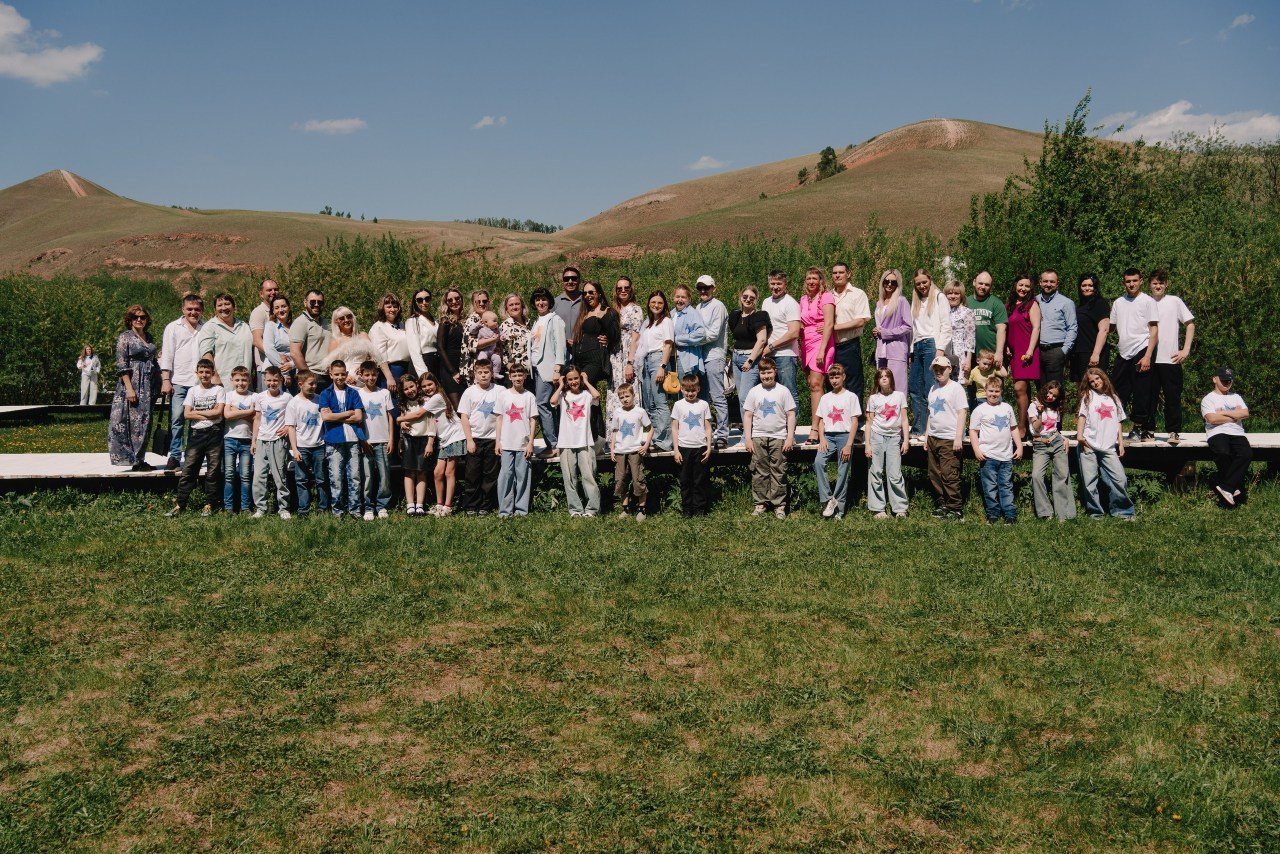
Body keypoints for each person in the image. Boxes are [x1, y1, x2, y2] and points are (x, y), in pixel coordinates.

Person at [165, 357, 224, 516]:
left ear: (212, 373)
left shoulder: (218, 390)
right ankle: (180, 504)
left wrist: (198, 413)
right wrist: (208, 414)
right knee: (189, 470)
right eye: (201, 372)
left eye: (207, 372)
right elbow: (186, 414)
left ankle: (210, 504)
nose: (204, 375)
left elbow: (218, 412)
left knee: (213, 471)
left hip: (214, 434)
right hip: (196, 435)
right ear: (197, 373)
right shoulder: (192, 391)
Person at [742, 356, 796, 519]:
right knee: (759, 471)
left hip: (779, 437)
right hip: (758, 437)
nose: (766, 376)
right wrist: (748, 438)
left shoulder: (783, 391)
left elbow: (791, 414)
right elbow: (748, 416)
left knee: (779, 471)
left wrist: (789, 437)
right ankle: (760, 503)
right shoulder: (754, 391)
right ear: (759, 374)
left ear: (775, 371)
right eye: (763, 373)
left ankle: (779, 505)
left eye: (769, 372)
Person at [1077, 367, 1134, 519]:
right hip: (1088, 443)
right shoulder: (1088, 396)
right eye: (1091, 381)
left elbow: (1119, 423)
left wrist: (1120, 443)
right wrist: (1080, 437)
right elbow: (1082, 417)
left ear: (1103, 378)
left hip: (1108, 446)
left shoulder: (1114, 398)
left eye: (1097, 379)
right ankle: (1095, 513)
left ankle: (1122, 511)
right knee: (1090, 481)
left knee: (1119, 479)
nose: (1095, 383)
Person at [1109, 268, 1159, 442]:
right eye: (1128, 281)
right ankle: (1112, 427)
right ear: (1124, 282)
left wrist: (1147, 356)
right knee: (1115, 391)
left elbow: (1154, 330)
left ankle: (1138, 428)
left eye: (1134, 280)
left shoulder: (1148, 301)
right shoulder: (1118, 303)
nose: (1131, 284)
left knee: (1141, 392)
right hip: (1123, 351)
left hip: (1142, 349)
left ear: (1141, 281)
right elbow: (1110, 328)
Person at [109, 305, 160, 471]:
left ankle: (140, 458)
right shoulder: (125, 337)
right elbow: (122, 364)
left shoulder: (149, 336)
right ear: (130, 320)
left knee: (145, 421)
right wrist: (129, 388)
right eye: (136, 317)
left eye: (143, 317)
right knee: (130, 421)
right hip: (132, 383)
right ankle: (131, 458)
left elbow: (153, 360)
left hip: (149, 384)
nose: (140, 320)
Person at [159, 293, 205, 469]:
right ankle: (175, 455)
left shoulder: (206, 327)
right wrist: (166, 379)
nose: (193, 312)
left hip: (199, 382)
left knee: (197, 420)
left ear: (201, 310)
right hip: (179, 380)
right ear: (183, 310)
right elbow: (167, 355)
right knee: (177, 418)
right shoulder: (173, 327)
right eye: (189, 309)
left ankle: (192, 454)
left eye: (196, 309)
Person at [1149, 269, 1195, 444]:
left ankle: (1173, 431)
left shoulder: (1174, 301)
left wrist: (1186, 349)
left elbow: (1190, 324)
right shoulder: (1145, 302)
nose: (1158, 286)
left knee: (1173, 397)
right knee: (1148, 397)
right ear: (1149, 285)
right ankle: (1147, 430)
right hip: (1149, 358)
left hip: (1171, 359)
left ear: (1166, 284)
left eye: (1161, 283)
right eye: (1155, 283)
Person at [317, 360, 366, 519]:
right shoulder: (326, 393)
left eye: (342, 374)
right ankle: (338, 511)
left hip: (352, 438)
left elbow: (358, 416)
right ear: (330, 375)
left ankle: (355, 510)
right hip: (334, 439)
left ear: (346, 374)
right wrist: (347, 413)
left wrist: (335, 416)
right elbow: (325, 417)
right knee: (336, 477)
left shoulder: (353, 393)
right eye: (336, 374)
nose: (339, 377)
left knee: (355, 477)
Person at [572, 281, 620, 444]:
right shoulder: (584, 313)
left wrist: (602, 319)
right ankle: (592, 432)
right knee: (585, 393)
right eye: (585, 293)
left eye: (591, 292)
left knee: (585, 383)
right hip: (580, 360)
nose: (588, 296)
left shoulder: (608, 312)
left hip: (595, 360)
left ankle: (598, 434)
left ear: (599, 293)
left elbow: (615, 335)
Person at [969, 377, 1022, 524]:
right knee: (990, 486)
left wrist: (1019, 446)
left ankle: (1010, 515)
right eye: (991, 391)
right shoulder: (980, 410)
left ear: (1001, 391)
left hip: (1006, 456)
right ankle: (993, 513)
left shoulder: (1007, 408)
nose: (993, 394)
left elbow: (1013, 428)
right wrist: (976, 450)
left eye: (997, 391)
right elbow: (973, 431)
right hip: (988, 456)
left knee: (1006, 486)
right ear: (985, 391)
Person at [552, 365, 601, 517]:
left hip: (585, 442)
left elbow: (597, 395)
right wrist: (560, 385)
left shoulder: (586, 395)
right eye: (570, 379)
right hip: (566, 442)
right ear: (566, 381)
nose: (573, 382)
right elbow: (552, 401)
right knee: (570, 478)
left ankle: (592, 509)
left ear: (580, 378)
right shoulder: (563, 396)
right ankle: (575, 509)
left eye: (576, 378)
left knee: (589, 476)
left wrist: (586, 381)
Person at [813, 362, 861, 519]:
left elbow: (854, 421)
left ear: (843, 377)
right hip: (828, 436)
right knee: (819, 462)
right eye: (831, 377)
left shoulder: (851, 397)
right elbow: (820, 420)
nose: (834, 380)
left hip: (844, 436)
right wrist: (822, 439)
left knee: (843, 471)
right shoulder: (826, 398)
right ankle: (828, 499)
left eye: (837, 376)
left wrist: (848, 444)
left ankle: (839, 510)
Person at [908, 269, 952, 438]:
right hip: (918, 345)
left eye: (924, 282)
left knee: (930, 387)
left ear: (930, 280)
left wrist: (939, 351)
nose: (922, 286)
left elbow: (946, 326)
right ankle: (920, 427)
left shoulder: (939, 297)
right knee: (915, 388)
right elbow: (914, 328)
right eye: (918, 283)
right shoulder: (916, 300)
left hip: (932, 345)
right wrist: (911, 351)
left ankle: (934, 427)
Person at [830, 262, 872, 434]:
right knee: (832, 383)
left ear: (848, 274)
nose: (837, 275)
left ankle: (857, 424)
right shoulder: (827, 295)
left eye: (841, 272)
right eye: (834, 273)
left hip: (849, 344)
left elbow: (861, 320)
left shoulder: (857, 294)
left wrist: (833, 328)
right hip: (831, 347)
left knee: (853, 384)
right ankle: (836, 422)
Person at [925, 353, 968, 520]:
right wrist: (927, 435)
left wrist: (958, 437)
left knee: (950, 473)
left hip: (949, 438)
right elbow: (931, 414)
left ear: (950, 369)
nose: (938, 372)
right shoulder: (933, 388)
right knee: (934, 473)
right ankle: (943, 504)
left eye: (941, 368)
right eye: (936, 369)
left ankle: (955, 507)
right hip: (934, 437)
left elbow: (962, 412)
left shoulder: (956, 388)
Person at [1201, 366, 1251, 507]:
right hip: (1216, 432)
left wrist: (1222, 413)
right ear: (1215, 379)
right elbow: (1211, 419)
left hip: (1236, 432)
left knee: (1246, 454)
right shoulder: (1208, 399)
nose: (1227, 383)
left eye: (1229, 380)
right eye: (1223, 380)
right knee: (1223, 452)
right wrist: (1234, 415)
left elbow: (1245, 413)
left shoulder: (1236, 397)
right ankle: (1235, 487)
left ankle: (1227, 487)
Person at [458, 357, 503, 515]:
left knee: (490, 475)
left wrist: (499, 441)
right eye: (480, 372)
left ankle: (485, 505)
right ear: (474, 374)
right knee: (472, 474)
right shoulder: (469, 392)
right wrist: (469, 439)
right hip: (475, 438)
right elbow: (464, 417)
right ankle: (471, 506)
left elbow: (501, 417)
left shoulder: (499, 391)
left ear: (492, 373)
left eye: (486, 372)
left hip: (492, 439)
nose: (483, 375)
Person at [864, 367, 909, 519]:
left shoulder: (899, 396)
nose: (884, 378)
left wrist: (906, 441)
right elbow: (869, 423)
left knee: (895, 473)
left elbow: (904, 419)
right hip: (876, 436)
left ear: (891, 379)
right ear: (877, 380)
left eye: (887, 376)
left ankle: (900, 508)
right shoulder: (873, 399)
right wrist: (868, 444)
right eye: (881, 376)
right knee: (875, 472)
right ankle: (878, 508)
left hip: (894, 438)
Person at [1027, 379, 1074, 521]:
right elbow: (1036, 428)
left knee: (1062, 474)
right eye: (1048, 392)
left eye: (1054, 395)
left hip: (1056, 441)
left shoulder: (1055, 408)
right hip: (1040, 444)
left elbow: (1054, 428)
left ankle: (1063, 514)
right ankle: (1046, 512)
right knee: (1036, 476)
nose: (1049, 397)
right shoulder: (1033, 406)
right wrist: (1041, 413)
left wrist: (1063, 438)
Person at [250, 365, 293, 519]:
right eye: (269, 380)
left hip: (278, 441)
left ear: (281, 380)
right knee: (259, 476)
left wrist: (288, 428)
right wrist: (253, 441)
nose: (272, 383)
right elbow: (257, 419)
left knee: (279, 476)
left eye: (275, 380)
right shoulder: (259, 397)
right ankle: (261, 508)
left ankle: (283, 508)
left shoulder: (287, 398)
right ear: (264, 380)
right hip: (262, 440)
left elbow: (293, 417)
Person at [528, 287, 566, 458]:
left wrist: (557, 368)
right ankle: (555, 441)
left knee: (543, 404)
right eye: (537, 300)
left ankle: (553, 444)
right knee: (549, 406)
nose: (540, 303)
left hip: (549, 369)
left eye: (543, 299)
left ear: (549, 301)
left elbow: (560, 345)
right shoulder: (537, 321)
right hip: (536, 369)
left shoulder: (554, 319)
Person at [693, 275, 730, 449]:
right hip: (700, 357)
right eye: (700, 288)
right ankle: (704, 431)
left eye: (706, 288)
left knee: (717, 396)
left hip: (714, 356)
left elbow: (713, 334)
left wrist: (690, 340)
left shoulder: (718, 306)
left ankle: (722, 433)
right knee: (701, 397)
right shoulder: (698, 307)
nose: (703, 291)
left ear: (713, 288)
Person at [799, 266, 835, 443]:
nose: (811, 281)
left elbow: (829, 324)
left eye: (814, 278)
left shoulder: (826, 297)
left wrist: (822, 350)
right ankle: (822, 423)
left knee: (816, 384)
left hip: (822, 343)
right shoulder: (804, 299)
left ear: (821, 280)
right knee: (812, 385)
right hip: (806, 343)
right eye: (808, 278)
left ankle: (815, 428)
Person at [634, 290, 674, 451]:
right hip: (646, 361)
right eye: (653, 302)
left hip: (658, 360)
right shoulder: (647, 323)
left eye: (660, 302)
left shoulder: (666, 322)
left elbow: (668, 345)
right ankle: (654, 437)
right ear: (649, 304)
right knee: (649, 403)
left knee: (660, 402)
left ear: (664, 305)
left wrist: (662, 367)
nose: (656, 305)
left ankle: (664, 441)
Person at [494, 365, 536, 517]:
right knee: (505, 476)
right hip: (506, 443)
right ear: (510, 377)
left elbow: (532, 421)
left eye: (520, 375)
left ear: (525, 376)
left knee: (522, 476)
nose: (518, 378)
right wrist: (497, 441)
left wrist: (530, 442)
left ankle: (521, 510)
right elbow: (499, 419)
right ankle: (505, 510)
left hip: (523, 444)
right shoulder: (503, 395)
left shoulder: (529, 396)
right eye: (515, 375)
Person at [356, 360, 394, 520]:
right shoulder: (358, 393)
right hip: (367, 442)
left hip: (383, 440)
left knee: (384, 475)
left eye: (373, 375)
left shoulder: (384, 393)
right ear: (361, 375)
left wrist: (391, 438)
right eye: (367, 375)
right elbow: (357, 420)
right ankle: (368, 506)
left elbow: (390, 417)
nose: (371, 378)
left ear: (378, 375)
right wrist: (361, 441)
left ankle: (382, 505)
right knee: (367, 476)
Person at [285, 370, 327, 517]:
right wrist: (294, 449)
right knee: (301, 480)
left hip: (319, 446)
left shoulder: (320, 399)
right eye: (311, 384)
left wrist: (326, 445)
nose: (314, 386)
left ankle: (323, 509)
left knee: (321, 479)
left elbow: (326, 424)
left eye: (315, 383)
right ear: (300, 384)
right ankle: (304, 510)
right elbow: (291, 427)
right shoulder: (293, 403)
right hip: (302, 447)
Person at [671, 373, 713, 517]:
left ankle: (700, 509)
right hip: (684, 448)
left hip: (700, 447)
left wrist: (708, 447)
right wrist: (676, 450)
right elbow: (675, 428)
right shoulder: (678, 405)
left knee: (699, 480)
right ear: (682, 389)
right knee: (685, 480)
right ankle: (687, 509)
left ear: (699, 389)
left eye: (693, 390)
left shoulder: (703, 405)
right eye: (687, 390)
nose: (690, 393)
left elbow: (708, 427)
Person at [1005, 274, 1041, 437]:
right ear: (1015, 286)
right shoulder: (1009, 306)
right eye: (1021, 285)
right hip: (1014, 352)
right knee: (1022, 389)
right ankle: (1025, 423)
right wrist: (1005, 346)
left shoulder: (1032, 304)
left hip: (1027, 351)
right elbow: (1005, 328)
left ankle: (1022, 427)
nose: (1023, 289)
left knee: (1020, 387)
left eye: (1027, 286)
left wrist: (1030, 350)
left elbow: (1036, 328)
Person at [609, 383, 652, 520]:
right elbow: (615, 431)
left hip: (635, 451)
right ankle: (625, 509)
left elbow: (650, 428)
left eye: (627, 396)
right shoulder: (617, 413)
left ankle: (641, 509)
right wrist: (612, 449)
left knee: (638, 479)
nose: (625, 399)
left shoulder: (640, 412)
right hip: (620, 451)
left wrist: (645, 445)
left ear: (634, 396)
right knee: (620, 479)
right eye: (621, 397)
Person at [425, 373, 464, 516]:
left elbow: (418, 414)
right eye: (424, 386)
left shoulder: (437, 398)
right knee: (437, 472)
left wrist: (400, 419)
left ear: (436, 384)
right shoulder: (429, 399)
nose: (427, 388)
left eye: (430, 384)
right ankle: (439, 504)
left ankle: (448, 506)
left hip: (455, 436)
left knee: (449, 472)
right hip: (444, 440)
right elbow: (432, 423)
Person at [395, 373, 435, 517]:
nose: (410, 390)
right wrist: (401, 425)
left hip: (424, 439)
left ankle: (420, 504)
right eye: (406, 389)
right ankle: (410, 504)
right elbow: (402, 422)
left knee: (422, 472)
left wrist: (430, 443)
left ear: (416, 385)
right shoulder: (403, 403)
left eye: (411, 386)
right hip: (408, 439)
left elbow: (432, 423)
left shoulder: (426, 401)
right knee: (409, 472)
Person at [609, 278, 645, 434]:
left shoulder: (635, 309)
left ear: (631, 289)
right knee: (615, 394)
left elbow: (636, 338)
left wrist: (630, 363)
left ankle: (632, 434)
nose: (623, 291)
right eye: (619, 288)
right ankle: (614, 437)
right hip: (615, 357)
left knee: (629, 392)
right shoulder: (613, 310)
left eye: (626, 288)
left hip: (628, 355)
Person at [727, 286, 772, 407]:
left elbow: (761, 340)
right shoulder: (735, 316)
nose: (748, 300)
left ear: (756, 300)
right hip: (736, 357)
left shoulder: (759, 316)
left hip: (750, 358)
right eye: (745, 296)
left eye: (752, 298)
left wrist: (750, 360)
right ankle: (747, 425)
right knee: (741, 397)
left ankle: (752, 425)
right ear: (741, 297)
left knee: (744, 397)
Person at [761, 270, 802, 402]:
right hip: (769, 355)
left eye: (779, 283)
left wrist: (771, 346)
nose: (775, 287)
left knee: (789, 393)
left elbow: (794, 332)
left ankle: (790, 423)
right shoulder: (766, 302)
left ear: (785, 284)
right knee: (771, 394)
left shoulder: (790, 303)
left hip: (785, 355)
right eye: (772, 283)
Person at [197, 293, 254, 388]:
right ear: (215, 309)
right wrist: (215, 377)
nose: (224, 308)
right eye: (219, 305)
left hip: (245, 383)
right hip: (223, 383)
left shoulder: (244, 326)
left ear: (234, 306)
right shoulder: (209, 327)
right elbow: (206, 354)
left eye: (227, 304)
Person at [872, 269, 912, 401]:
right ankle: (885, 417)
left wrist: (885, 333)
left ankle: (900, 419)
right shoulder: (879, 303)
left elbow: (908, 326)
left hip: (897, 349)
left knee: (898, 387)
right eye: (886, 281)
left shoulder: (901, 301)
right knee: (882, 386)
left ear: (897, 284)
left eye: (893, 282)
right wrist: (877, 333)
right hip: (881, 349)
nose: (889, 284)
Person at [220, 366, 256, 514]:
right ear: (231, 380)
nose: (240, 383)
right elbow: (227, 415)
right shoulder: (229, 395)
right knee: (229, 474)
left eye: (243, 380)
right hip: (229, 439)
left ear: (249, 380)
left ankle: (245, 506)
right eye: (237, 380)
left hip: (247, 440)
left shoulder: (254, 396)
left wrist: (237, 412)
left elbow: (255, 419)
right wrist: (248, 411)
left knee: (245, 475)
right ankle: (228, 507)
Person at [1035, 270, 1077, 386]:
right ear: (1040, 282)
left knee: (1054, 388)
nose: (1048, 284)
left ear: (1057, 283)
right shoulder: (1034, 301)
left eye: (1052, 282)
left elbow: (1072, 328)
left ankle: (1056, 405)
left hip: (1056, 350)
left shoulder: (1066, 303)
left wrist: (1064, 351)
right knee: (1040, 387)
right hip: (1037, 351)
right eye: (1045, 281)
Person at [316, 307, 378, 383]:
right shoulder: (335, 342)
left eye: (349, 316)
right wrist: (344, 377)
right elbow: (330, 367)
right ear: (336, 322)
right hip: (345, 382)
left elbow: (374, 358)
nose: (346, 320)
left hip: (366, 380)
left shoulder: (363, 335)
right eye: (342, 318)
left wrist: (365, 366)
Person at [289, 290, 332, 393]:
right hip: (312, 374)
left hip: (327, 376)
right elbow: (295, 352)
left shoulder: (325, 322)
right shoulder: (301, 322)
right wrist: (308, 376)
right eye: (313, 302)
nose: (316, 305)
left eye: (320, 302)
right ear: (305, 302)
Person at [967, 270, 1007, 376]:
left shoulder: (996, 303)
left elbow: (1001, 329)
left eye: (987, 284)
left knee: (994, 390)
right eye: (980, 283)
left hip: (991, 357)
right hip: (971, 356)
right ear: (974, 282)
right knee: (972, 389)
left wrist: (999, 352)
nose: (983, 287)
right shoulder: (965, 302)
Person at [369, 293, 411, 393]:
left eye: (395, 306)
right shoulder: (379, 327)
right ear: (382, 308)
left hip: (406, 368)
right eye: (388, 307)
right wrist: (389, 377)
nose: (392, 309)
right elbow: (379, 355)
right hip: (391, 371)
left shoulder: (401, 325)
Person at [1072, 273, 1111, 382]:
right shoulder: (1080, 306)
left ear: (1095, 287)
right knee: (1082, 389)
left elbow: (1104, 330)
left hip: (1092, 354)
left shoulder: (1099, 304)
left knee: (1095, 388)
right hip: (1079, 353)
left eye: (1090, 285)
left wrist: (1096, 354)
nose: (1087, 288)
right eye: (1084, 285)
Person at [436, 288, 467, 406]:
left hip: (464, 367)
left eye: (457, 298)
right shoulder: (445, 321)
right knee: (457, 406)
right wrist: (453, 372)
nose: (454, 301)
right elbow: (440, 346)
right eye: (450, 300)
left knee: (466, 405)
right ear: (446, 303)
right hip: (450, 368)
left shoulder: (466, 320)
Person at [248, 279, 279, 390]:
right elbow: (257, 340)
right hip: (266, 368)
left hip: (282, 367)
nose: (273, 292)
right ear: (261, 294)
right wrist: (277, 357)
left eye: (275, 289)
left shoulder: (280, 311)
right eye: (269, 290)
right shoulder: (259, 312)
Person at [943, 281, 976, 381]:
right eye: (950, 293)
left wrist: (968, 360)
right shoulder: (942, 311)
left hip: (960, 353)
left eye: (956, 293)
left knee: (958, 385)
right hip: (944, 352)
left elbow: (970, 338)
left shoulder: (967, 312)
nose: (953, 296)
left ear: (961, 295)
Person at [260, 295, 294, 390]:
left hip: (292, 369)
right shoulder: (271, 326)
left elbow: (301, 350)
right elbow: (269, 349)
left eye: (284, 306)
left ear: (289, 307)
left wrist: (292, 365)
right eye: (277, 308)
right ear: (273, 311)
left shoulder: (295, 326)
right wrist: (284, 372)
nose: (281, 310)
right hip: (273, 373)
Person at [406, 288, 439, 381]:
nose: (424, 302)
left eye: (427, 299)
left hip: (436, 362)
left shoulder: (436, 320)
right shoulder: (412, 321)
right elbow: (414, 351)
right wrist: (423, 374)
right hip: (423, 362)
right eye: (420, 300)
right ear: (415, 302)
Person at [459, 290, 492, 382]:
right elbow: (472, 345)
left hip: (487, 367)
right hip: (475, 368)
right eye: (478, 301)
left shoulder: (489, 319)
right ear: (473, 304)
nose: (481, 304)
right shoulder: (472, 321)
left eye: (484, 301)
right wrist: (494, 340)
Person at [499, 293, 532, 381]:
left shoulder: (528, 323)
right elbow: (503, 351)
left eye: (517, 304)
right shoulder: (506, 325)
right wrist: (513, 371)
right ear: (506, 308)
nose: (514, 307)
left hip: (530, 373)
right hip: (517, 375)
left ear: (522, 306)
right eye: (511, 305)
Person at [554, 267, 583, 356]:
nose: (570, 281)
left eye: (574, 278)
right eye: (566, 279)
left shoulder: (587, 301)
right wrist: (563, 340)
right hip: (562, 353)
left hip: (584, 351)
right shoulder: (555, 303)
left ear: (579, 280)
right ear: (563, 282)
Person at [473, 310, 506, 382]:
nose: (496, 322)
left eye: (496, 321)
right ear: (486, 322)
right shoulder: (481, 329)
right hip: (484, 350)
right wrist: (478, 324)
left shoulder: (496, 329)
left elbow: (501, 334)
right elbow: (471, 330)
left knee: (497, 358)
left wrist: (502, 337)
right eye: (494, 321)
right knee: (481, 358)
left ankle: (496, 373)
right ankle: (478, 375)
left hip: (492, 351)